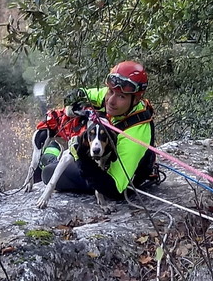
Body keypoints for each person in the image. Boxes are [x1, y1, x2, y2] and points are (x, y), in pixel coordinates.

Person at [41, 60, 156, 200]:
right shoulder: (111, 99)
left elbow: (114, 188)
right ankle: (53, 151)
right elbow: (82, 94)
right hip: (103, 158)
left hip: (117, 180)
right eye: (111, 91)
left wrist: (81, 156)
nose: (111, 101)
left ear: (136, 100)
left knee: (48, 172)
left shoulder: (136, 133)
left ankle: (51, 158)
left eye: (121, 96)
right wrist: (73, 106)